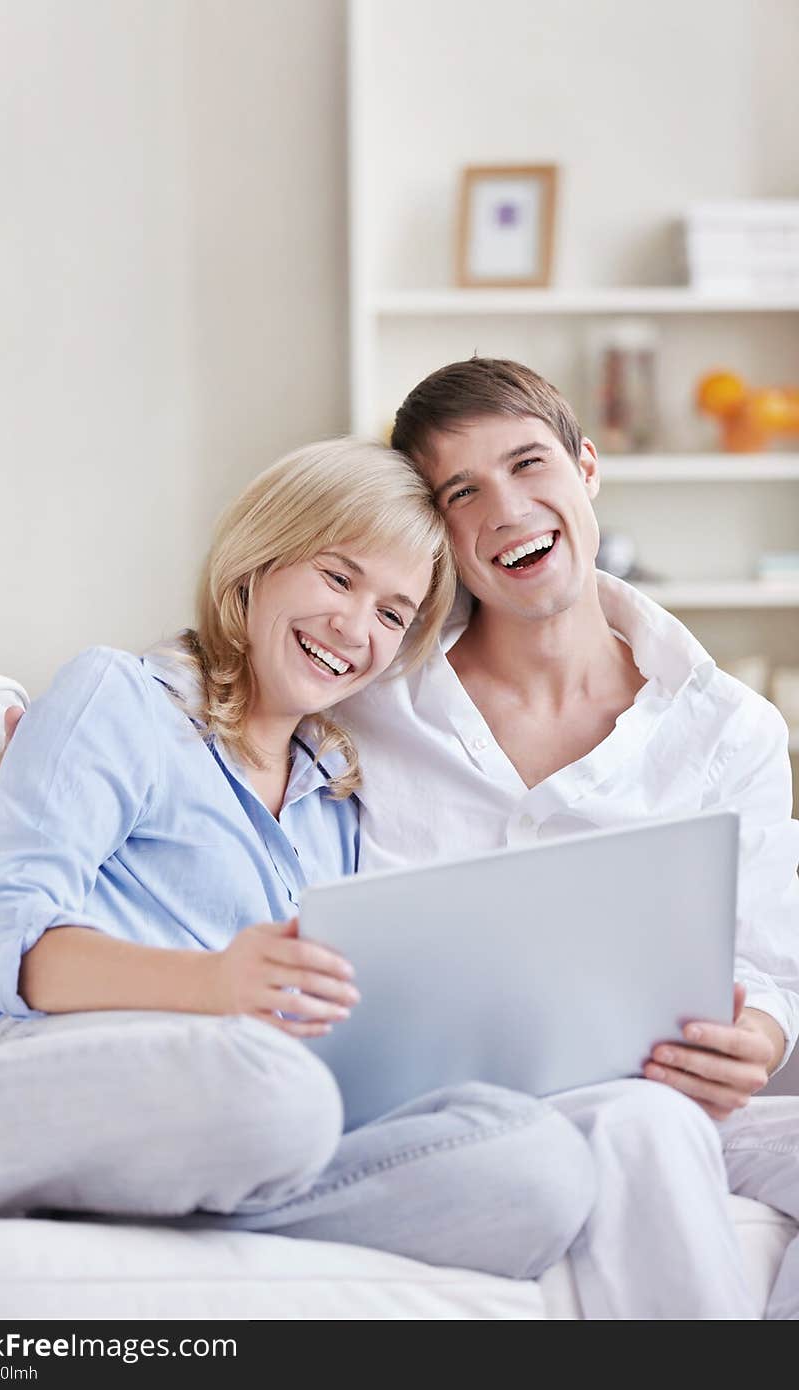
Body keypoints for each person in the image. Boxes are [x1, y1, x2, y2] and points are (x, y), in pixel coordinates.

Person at [0, 437, 595, 1283]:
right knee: (273, 1093)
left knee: (539, 1164)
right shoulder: (122, 698)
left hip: (234, 1118)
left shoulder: (337, 798)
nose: (356, 628)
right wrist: (214, 986)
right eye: (339, 577)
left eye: (393, 614)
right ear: (259, 562)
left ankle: (163, 1210)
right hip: (46, 1066)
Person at [329, 357, 799, 1319]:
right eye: (464, 491)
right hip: (443, 1110)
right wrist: (73, 746)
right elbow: (228, 650)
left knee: (661, 1117)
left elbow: (772, 966)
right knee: (643, 1128)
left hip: (664, 1087)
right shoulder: (367, 696)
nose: (506, 510)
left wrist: (754, 1035)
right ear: (436, 532)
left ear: (587, 469)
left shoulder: (730, 729)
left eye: (529, 464)